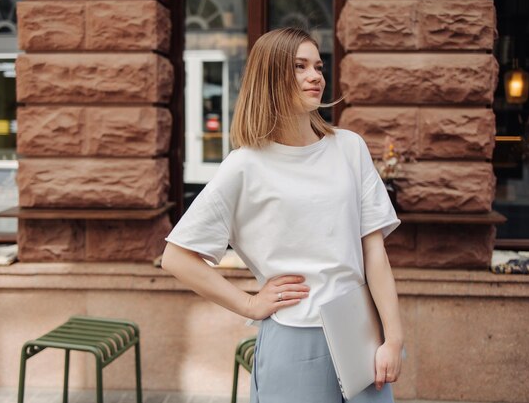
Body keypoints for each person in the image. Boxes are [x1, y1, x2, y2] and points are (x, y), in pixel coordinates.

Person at [161, 27, 404, 403]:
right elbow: (177, 257)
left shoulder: (349, 148)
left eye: (318, 66)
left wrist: (393, 336)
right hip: (295, 340)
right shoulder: (245, 166)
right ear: (271, 77)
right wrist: (249, 303)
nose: (315, 76)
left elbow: (374, 253)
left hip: (361, 333)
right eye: (299, 66)